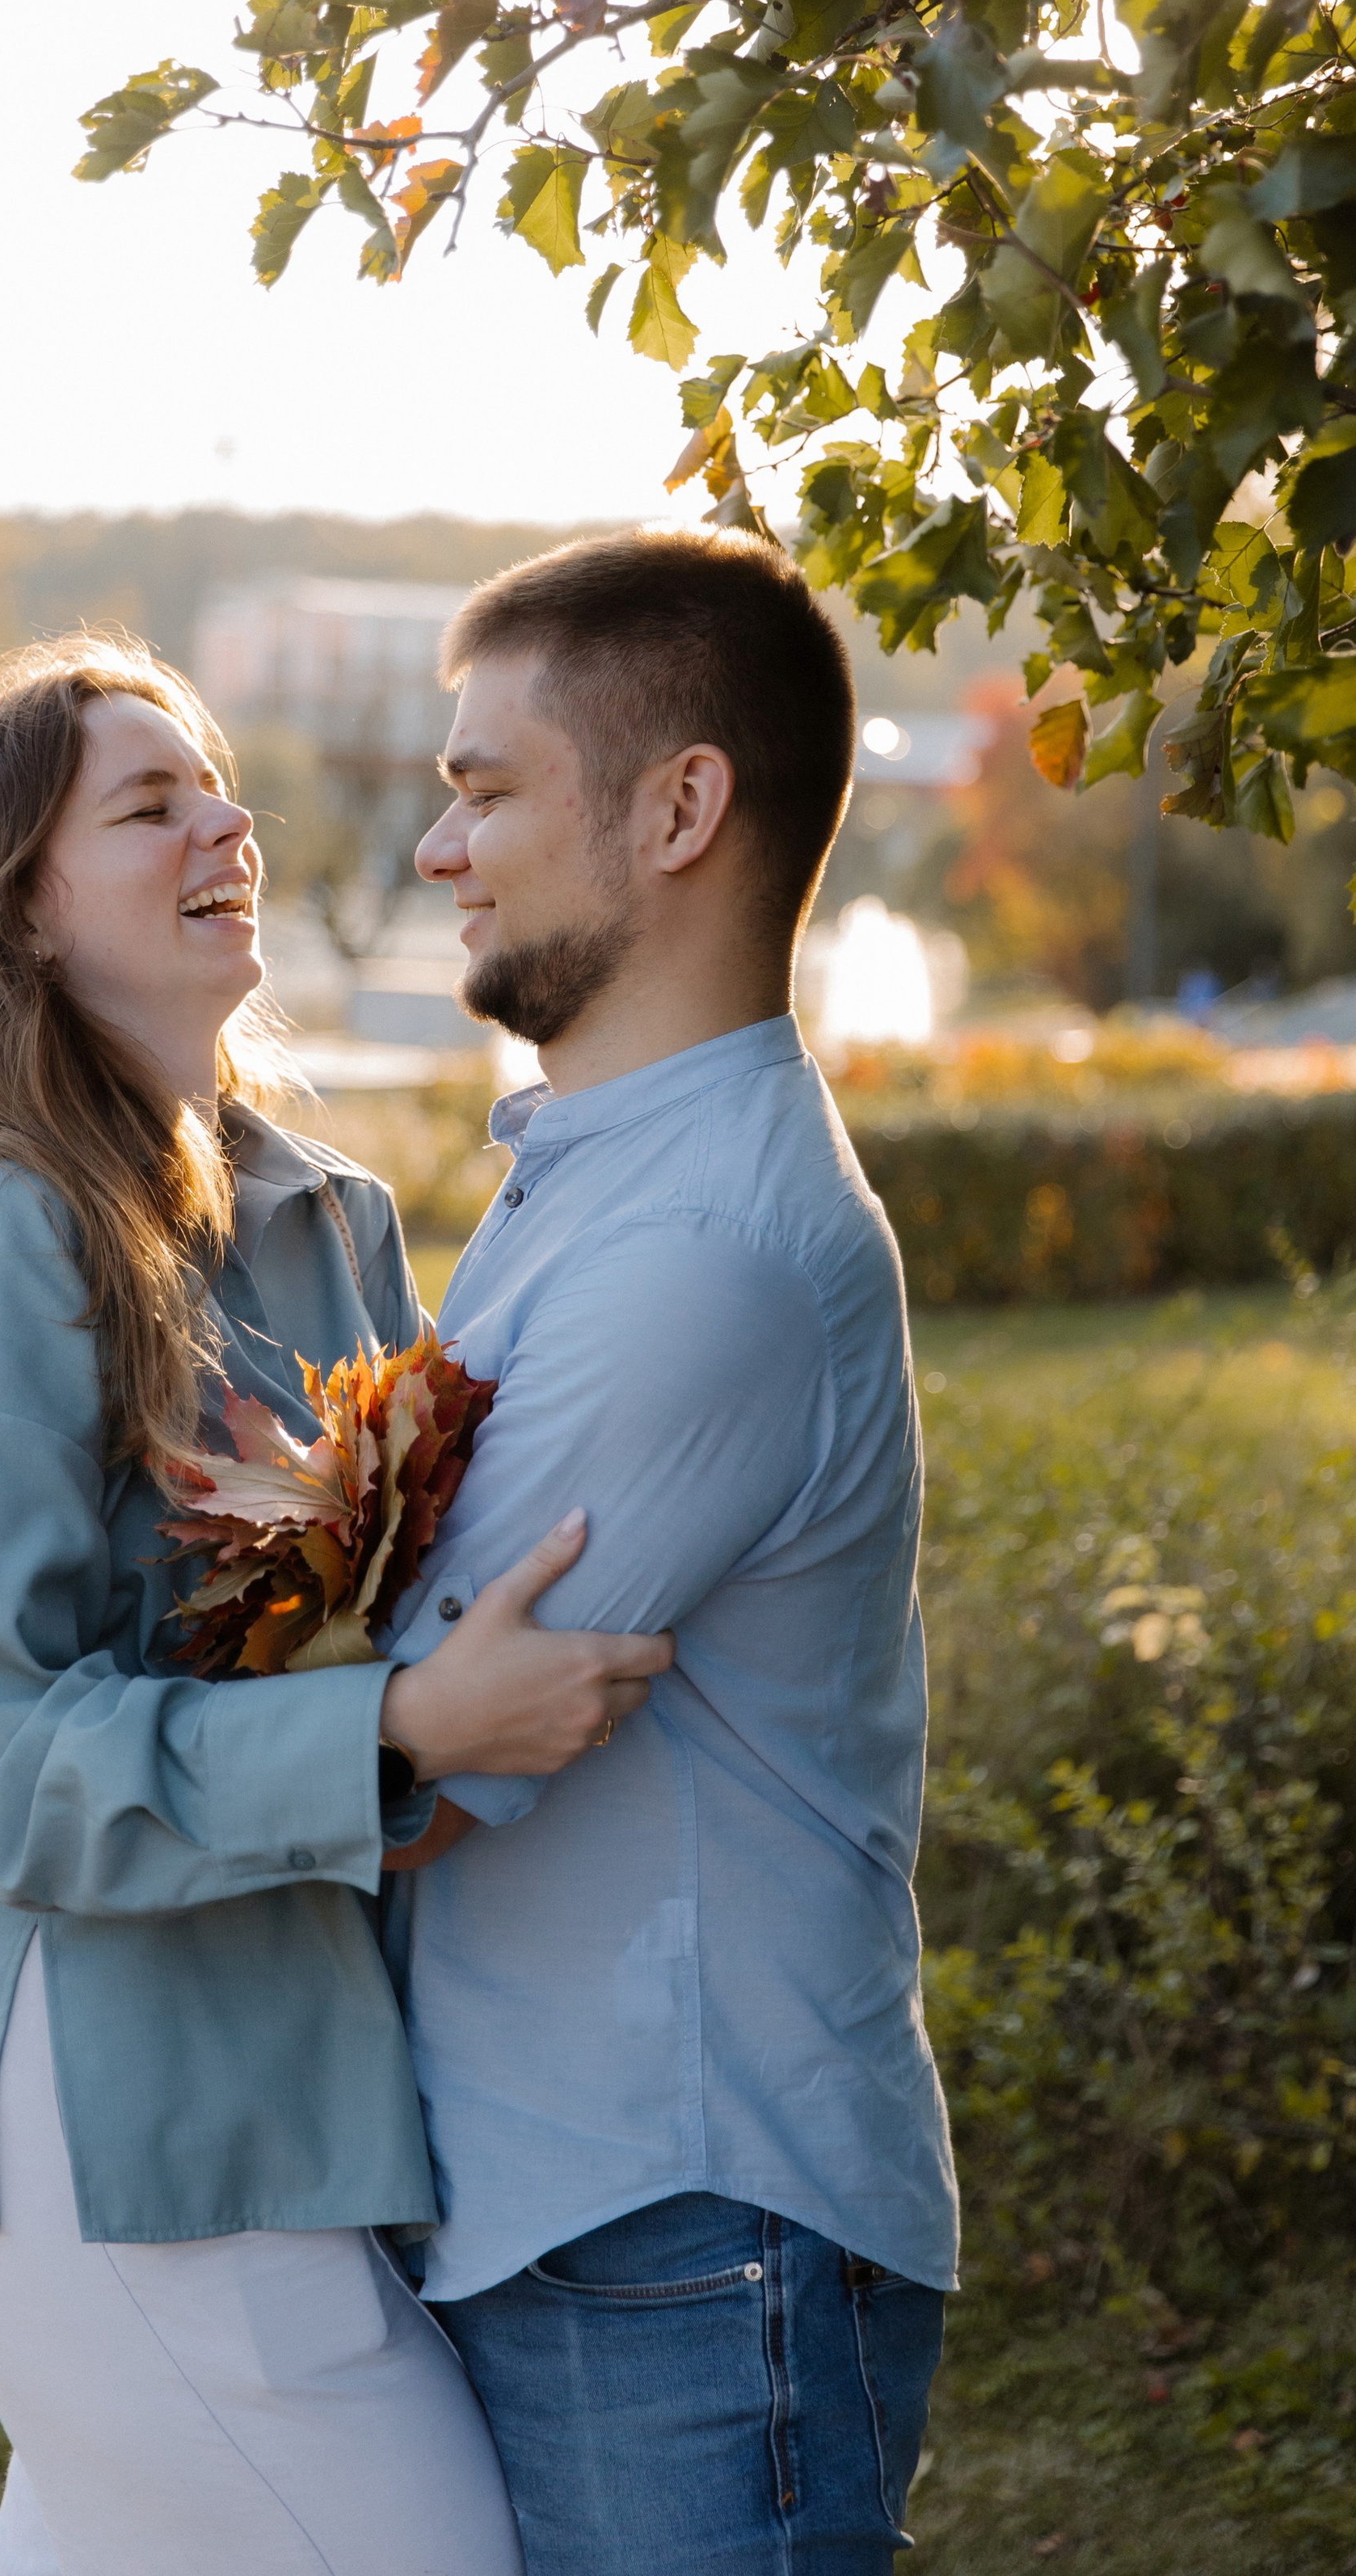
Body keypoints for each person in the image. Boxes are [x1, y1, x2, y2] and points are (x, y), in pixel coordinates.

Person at [0, 633, 667, 2576]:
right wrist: (392, 1733)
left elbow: (403, 1589)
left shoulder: (328, 1219)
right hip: (129, 2129)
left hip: (309, 2091)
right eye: (149, 806)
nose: (228, 823)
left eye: (214, 784)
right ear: (19, 912)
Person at [370, 529, 959, 2574]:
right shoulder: (608, 1181)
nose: (439, 848)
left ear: (678, 806)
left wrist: (9, 1744)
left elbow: (413, 1773)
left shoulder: (700, 1252)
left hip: (681, 2240)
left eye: (484, 789)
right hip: (590, 2205)